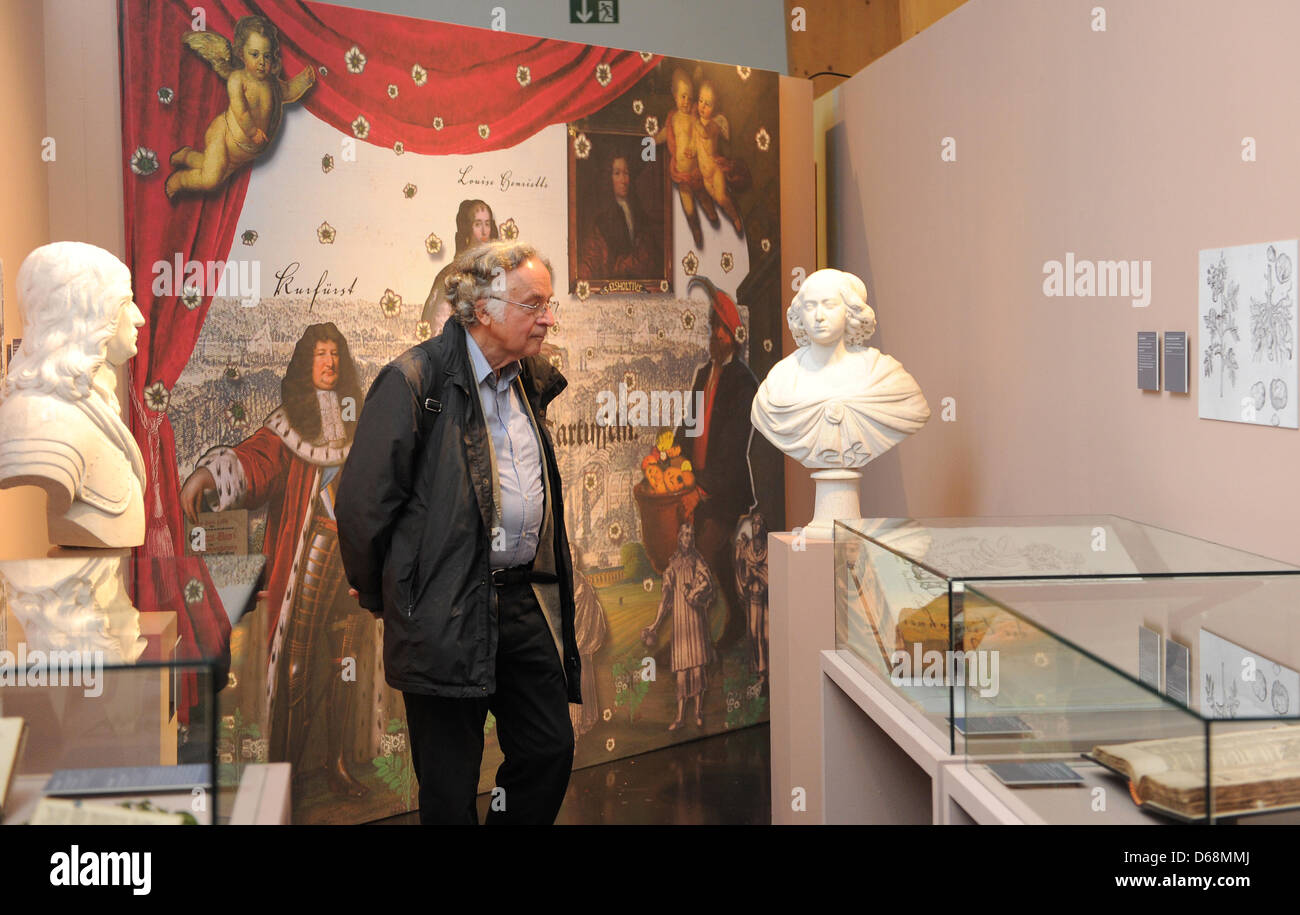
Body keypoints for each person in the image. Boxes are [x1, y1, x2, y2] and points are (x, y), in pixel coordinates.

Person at [337, 240, 581, 825]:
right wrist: (390, 596)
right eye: (535, 304)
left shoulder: (531, 381)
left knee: (549, 749)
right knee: (448, 789)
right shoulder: (413, 381)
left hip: (525, 601)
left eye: (550, 304)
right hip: (443, 611)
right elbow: (362, 506)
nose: (548, 318)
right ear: (484, 308)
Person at [179, 322, 373, 798]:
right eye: (319, 354)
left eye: (334, 354)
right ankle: (284, 775)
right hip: (308, 557)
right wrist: (209, 476)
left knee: (346, 660)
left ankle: (338, 764)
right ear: (306, 363)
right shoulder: (289, 422)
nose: (328, 363)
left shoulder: (357, 420)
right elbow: (257, 462)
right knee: (297, 667)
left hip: (350, 560)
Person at [0, 242, 146, 548]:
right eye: (126, 302)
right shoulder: (38, 418)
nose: (138, 318)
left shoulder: (90, 403)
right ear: (89, 312)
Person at [675, 275, 757, 645]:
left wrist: (703, 487)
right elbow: (687, 428)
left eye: (719, 331)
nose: (713, 337)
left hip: (723, 493)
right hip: (698, 484)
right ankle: (734, 622)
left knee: (703, 557)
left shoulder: (743, 383)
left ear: (732, 336)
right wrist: (672, 458)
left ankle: (693, 640)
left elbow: (733, 448)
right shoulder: (704, 375)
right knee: (712, 561)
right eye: (711, 329)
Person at [166, 15, 316, 199]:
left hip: (242, 153)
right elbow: (241, 112)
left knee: (211, 167)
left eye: (266, 56)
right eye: (255, 54)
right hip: (223, 137)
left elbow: (288, 92)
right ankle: (179, 180)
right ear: (241, 53)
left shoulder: (273, 84)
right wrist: (253, 132)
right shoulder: (238, 80)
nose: (261, 61)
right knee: (210, 179)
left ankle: (186, 155)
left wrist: (304, 82)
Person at [641, 522, 716, 730]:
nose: (689, 539)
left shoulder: (697, 560)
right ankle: (681, 716)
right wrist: (655, 624)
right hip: (681, 624)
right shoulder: (673, 564)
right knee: (682, 672)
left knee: (698, 669)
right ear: (679, 538)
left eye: (691, 535)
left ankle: (698, 712)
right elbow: (665, 599)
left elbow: (708, 583)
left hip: (696, 622)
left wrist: (696, 592)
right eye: (685, 535)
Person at [578, 153, 660, 280]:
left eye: (626, 173)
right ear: (609, 178)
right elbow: (596, 261)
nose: (623, 180)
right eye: (617, 173)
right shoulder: (602, 220)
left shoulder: (638, 211)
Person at [420, 199, 499, 329]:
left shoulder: (497, 271)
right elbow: (437, 323)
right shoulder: (451, 274)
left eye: (487, 224)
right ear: (467, 228)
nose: (484, 232)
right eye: (478, 224)